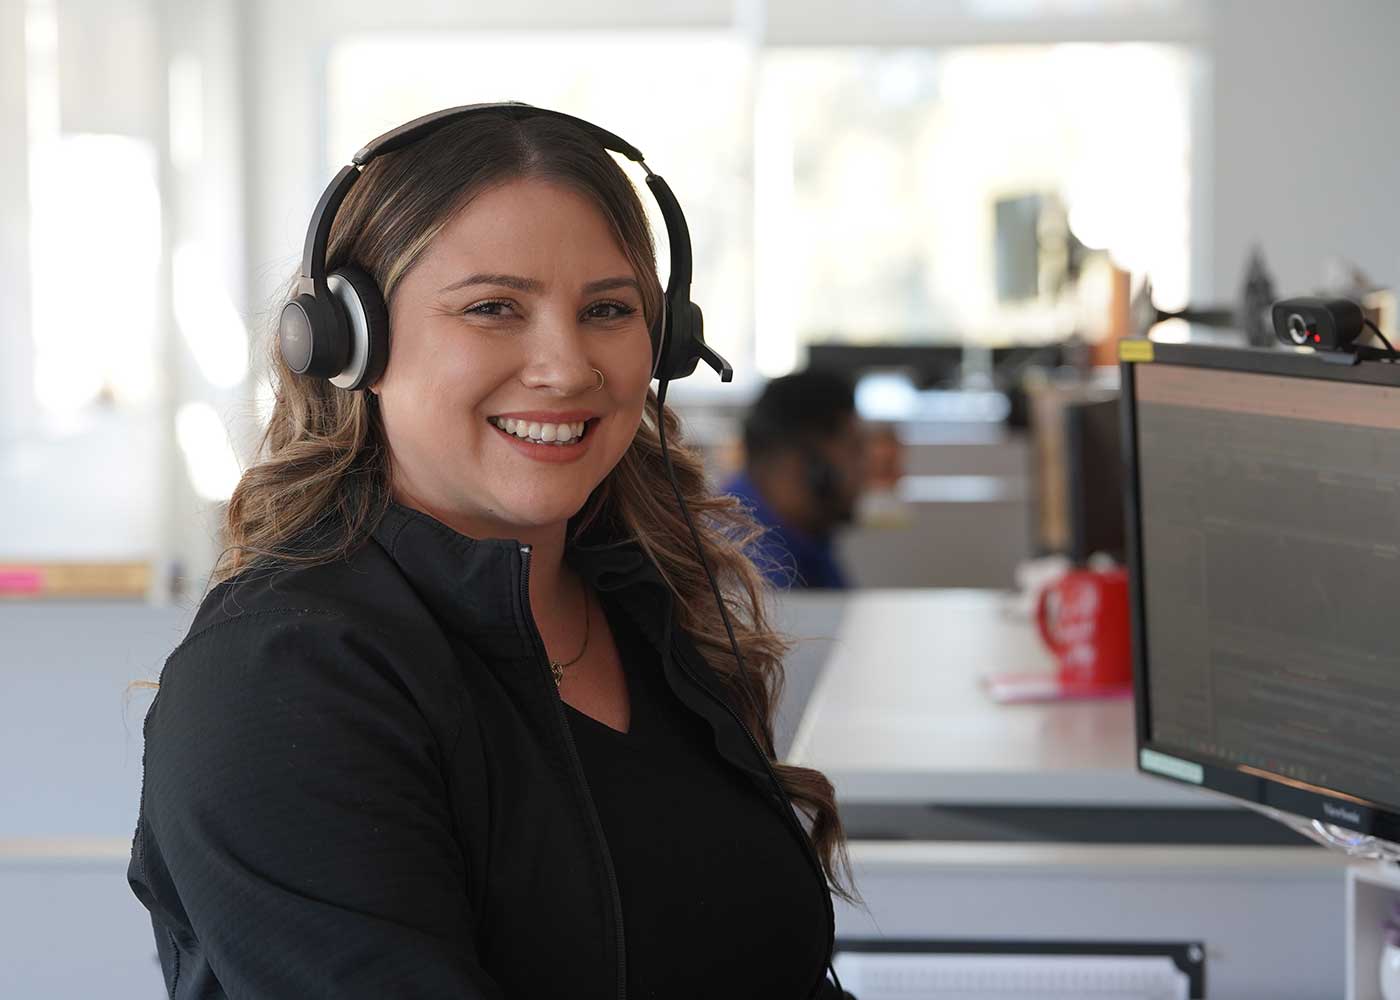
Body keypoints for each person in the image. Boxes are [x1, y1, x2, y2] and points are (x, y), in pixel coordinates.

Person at [125, 105, 857, 999]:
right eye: (493, 308)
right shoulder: (280, 678)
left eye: (608, 310)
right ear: (353, 343)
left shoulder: (644, 606)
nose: (567, 365)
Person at [722, 371, 867, 589]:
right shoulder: (756, 574)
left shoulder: (804, 540)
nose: (864, 470)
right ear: (804, 465)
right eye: (854, 450)